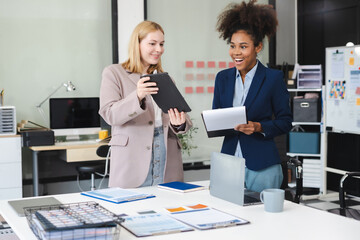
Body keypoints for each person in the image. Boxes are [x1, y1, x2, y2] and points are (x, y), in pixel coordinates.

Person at [99, 21, 192, 188]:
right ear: (138, 44)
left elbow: (183, 117)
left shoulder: (166, 79)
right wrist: (137, 96)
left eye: (162, 44)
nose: (159, 49)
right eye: (152, 43)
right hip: (132, 158)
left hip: (166, 153)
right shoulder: (114, 73)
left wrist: (179, 123)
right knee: (129, 210)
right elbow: (109, 114)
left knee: (166, 206)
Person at [213, 0, 292, 192]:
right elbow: (217, 115)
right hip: (230, 163)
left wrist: (258, 127)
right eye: (232, 46)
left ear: (257, 47)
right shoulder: (222, 78)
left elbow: (286, 121)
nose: (236, 53)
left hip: (262, 165)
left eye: (243, 46)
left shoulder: (273, 78)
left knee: (265, 220)